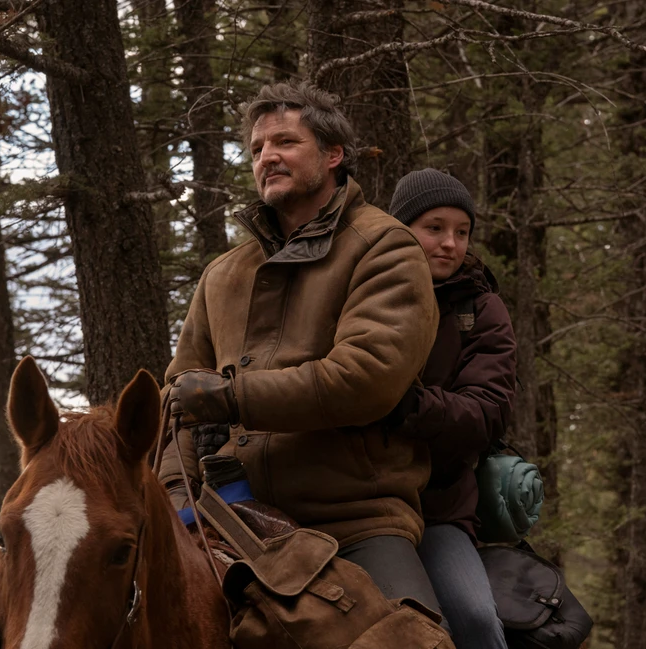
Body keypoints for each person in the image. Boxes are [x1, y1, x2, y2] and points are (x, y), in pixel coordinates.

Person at [160, 82, 446, 619]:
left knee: (412, 638)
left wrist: (233, 397)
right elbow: (174, 402)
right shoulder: (223, 274)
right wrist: (176, 493)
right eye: (256, 149)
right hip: (228, 520)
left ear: (333, 155)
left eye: (286, 142)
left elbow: (367, 377)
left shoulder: (384, 247)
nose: (267, 157)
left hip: (353, 520)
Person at [385, 168, 517, 649]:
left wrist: (406, 407)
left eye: (462, 232)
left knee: (475, 619)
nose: (450, 244)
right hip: (356, 504)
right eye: (434, 228)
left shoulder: (481, 309)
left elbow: (487, 413)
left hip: (439, 510)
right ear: (401, 229)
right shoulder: (366, 293)